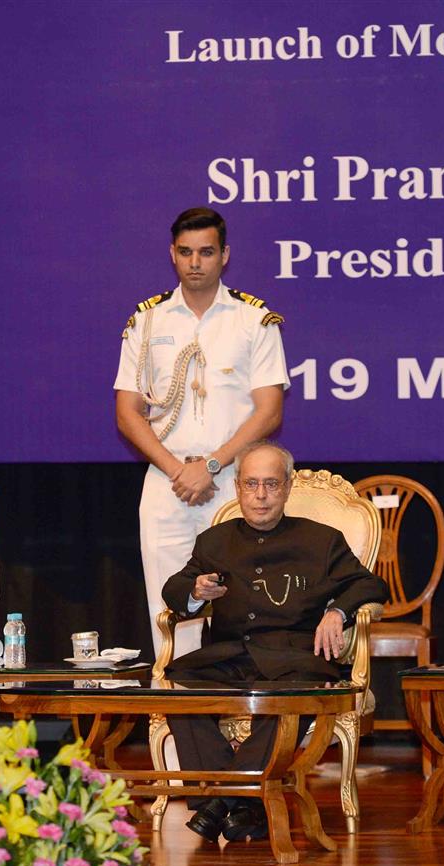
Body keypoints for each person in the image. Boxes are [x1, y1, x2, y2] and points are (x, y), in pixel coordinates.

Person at [161, 441, 387, 843]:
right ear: (237, 488)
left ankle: (220, 799)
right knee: (178, 695)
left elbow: (369, 583)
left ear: (286, 488)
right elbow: (174, 589)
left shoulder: (321, 540)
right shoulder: (215, 541)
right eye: (251, 484)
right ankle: (244, 804)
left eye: (270, 484)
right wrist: (195, 590)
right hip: (229, 656)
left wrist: (337, 613)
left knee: (290, 699)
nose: (260, 495)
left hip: (294, 660)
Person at [115, 207, 288, 663]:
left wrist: (210, 466)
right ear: (172, 254)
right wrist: (180, 470)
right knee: (170, 607)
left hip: (233, 482)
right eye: (186, 252)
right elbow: (128, 413)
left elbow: (269, 411)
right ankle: (177, 729)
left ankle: (243, 722)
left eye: (206, 252)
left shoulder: (254, 319)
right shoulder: (147, 321)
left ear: (224, 256)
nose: (196, 263)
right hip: (168, 481)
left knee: (243, 603)